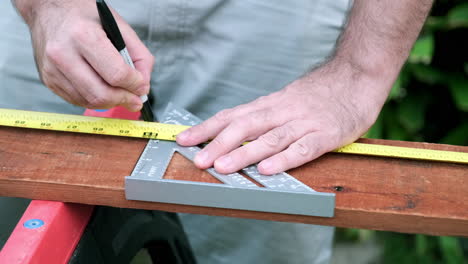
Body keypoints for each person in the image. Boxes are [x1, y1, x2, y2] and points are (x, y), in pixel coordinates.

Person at [1, 0, 433, 263]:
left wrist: (360, 73)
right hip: (60, 11)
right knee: (25, 233)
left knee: (258, 245)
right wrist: (45, 5)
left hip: (278, 17)